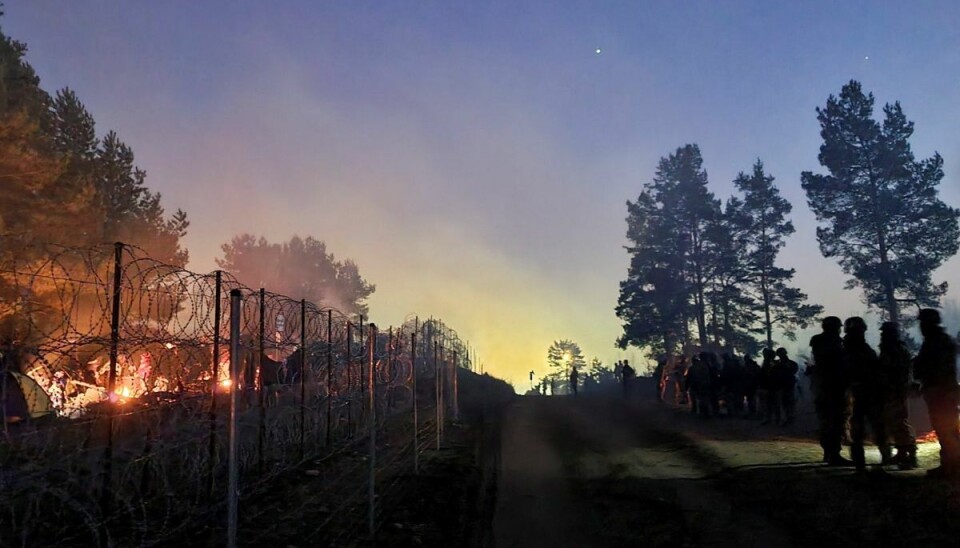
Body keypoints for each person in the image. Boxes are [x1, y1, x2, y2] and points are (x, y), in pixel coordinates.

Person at [914, 309, 960, 477]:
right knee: (946, 429)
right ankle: (950, 464)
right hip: (941, 391)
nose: (921, 327)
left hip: (941, 392)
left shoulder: (937, 342)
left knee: (946, 429)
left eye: (923, 323)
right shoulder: (940, 341)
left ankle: (952, 466)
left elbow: (933, 367)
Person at [843, 316, 889, 471]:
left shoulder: (857, 350)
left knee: (867, 427)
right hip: (861, 393)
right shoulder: (859, 350)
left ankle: (863, 462)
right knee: (869, 427)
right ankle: (866, 461)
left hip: (864, 393)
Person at [809, 316, 851, 465]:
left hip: (822, 388)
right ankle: (834, 454)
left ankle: (828, 452)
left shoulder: (818, 342)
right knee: (836, 421)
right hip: (834, 388)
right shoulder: (835, 345)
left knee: (826, 421)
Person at [878, 322, 917, 469]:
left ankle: (909, 453)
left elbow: (898, 372)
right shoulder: (890, 349)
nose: (882, 335)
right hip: (892, 390)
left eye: (884, 333)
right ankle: (903, 451)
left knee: (899, 421)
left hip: (896, 390)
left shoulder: (896, 350)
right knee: (895, 422)